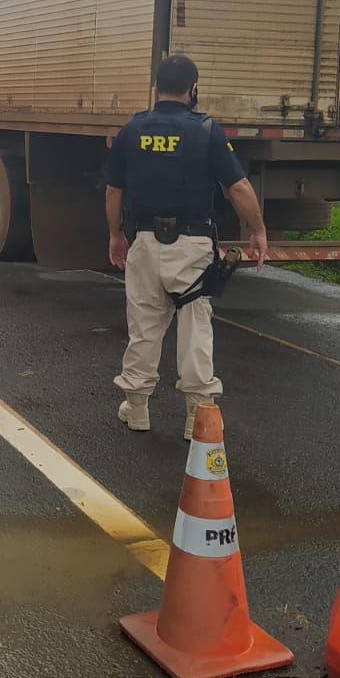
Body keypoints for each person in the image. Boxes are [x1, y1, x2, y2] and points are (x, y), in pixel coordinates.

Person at [105, 55, 269, 439]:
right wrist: (257, 228)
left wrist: (116, 234)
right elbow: (238, 188)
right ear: (193, 89)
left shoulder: (133, 129)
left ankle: (138, 407)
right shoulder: (207, 130)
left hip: (144, 241)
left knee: (144, 324)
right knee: (195, 325)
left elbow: (114, 190)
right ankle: (197, 415)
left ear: (155, 87)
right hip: (193, 245)